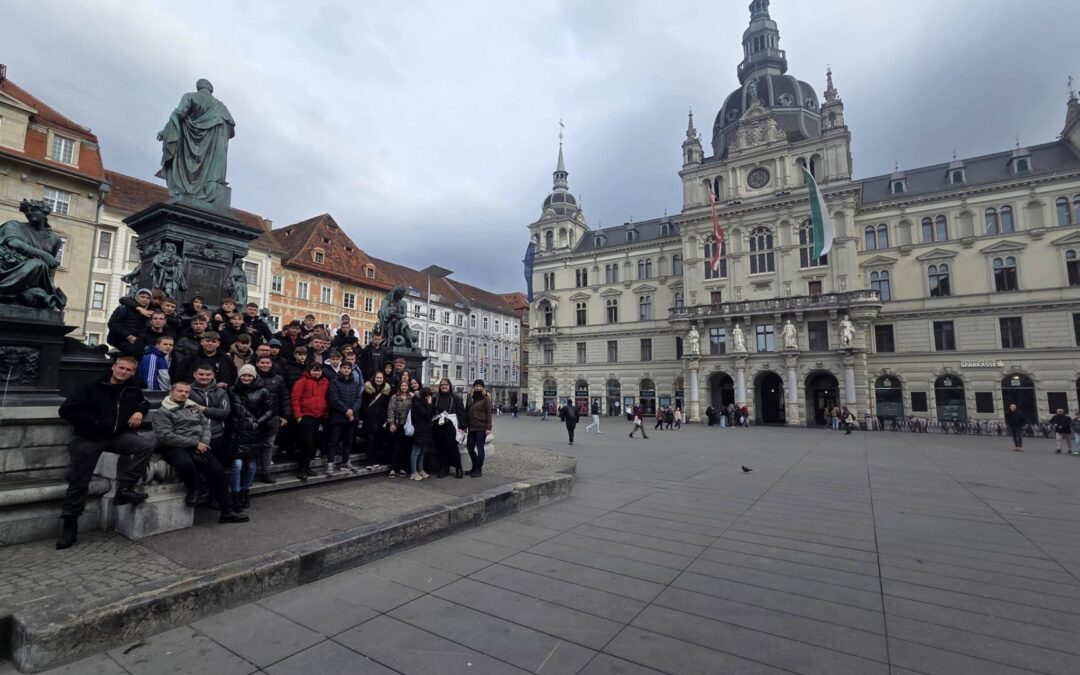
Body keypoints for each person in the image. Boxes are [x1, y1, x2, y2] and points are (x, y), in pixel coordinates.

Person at [55, 357, 154, 549]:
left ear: (133, 372)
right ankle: (70, 525)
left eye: (128, 370)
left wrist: (140, 411)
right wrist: (96, 422)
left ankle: (125, 488)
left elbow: (144, 402)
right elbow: (66, 410)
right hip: (89, 437)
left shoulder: (132, 388)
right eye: (121, 368)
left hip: (115, 436)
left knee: (145, 446)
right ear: (113, 367)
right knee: (78, 481)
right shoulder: (90, 386)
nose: (123, 372)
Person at [152, 381, 248, 523]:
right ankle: (195, 488)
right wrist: (195, 444)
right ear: (171, 392)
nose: (184, 394)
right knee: (185, 463)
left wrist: (203, 442)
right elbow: (166, 436)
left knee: (218, 473)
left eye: (186, 392)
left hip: (198, 446)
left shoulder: (193, 407)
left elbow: (205, 426)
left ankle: (227, 511)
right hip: (175, 447)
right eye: (180, 391)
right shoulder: (163, 412)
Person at [228, 365, 274, 508]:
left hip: (254, 432)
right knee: (237, 464)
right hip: (237, 432)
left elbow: (270, 410)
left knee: (251, 464)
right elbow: (233, 409)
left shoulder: (263, 391)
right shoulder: (232, 390)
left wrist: (257, 423)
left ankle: (244, 492)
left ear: (254, 377)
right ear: (239, 376)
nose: (246, 378)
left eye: (250, 376)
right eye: (244, 375)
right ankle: (235, 493)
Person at [188, 365, 232, 469]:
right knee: (197, 467)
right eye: (201, 374)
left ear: (213, 375)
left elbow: (224, 413)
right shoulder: (187, 390)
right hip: (194, 435)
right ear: (195, 375)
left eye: (208, 374)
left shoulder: (221, 391)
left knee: (217, 467)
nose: (204, 377)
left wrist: (203, 409)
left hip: (216, 434)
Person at [291, 361, 329, 480]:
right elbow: (295, 399)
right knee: (306, 443)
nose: (317, 372)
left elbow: (327, 398)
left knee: (314, 443)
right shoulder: (301, 382)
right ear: (309, 370)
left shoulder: (325, 382)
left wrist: (325, 414)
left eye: (319, 370)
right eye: (314, 370)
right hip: (306, 416)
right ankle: (301, 468)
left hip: (319, 416)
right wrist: (298, 416)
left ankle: (307, 467)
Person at [254, 355, 289, 482]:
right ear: (257, 363)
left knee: (268, 445)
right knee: (254, 445)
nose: (265, 365)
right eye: (262, 362)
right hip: (254, 417)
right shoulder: (251, 377)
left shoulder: (278, 379)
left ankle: (266, 473)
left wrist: (285, 415)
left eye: (267, 362)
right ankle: (251, 473)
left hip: (273, 416)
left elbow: (285, 397)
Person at [326, 361, 362, 475]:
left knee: (348, 441)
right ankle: (330, 464)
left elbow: (358, 399)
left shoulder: (355, 383)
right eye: (344, 368)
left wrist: (352, 410)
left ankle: (345, 462)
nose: (346, 370)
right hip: (338, 416)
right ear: (340, 369)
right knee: (333, 441)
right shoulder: (334, 382)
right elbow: (334, 399)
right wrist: (346, 410)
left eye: (348, 368)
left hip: (351, 417)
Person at [432, 378, 465, 478]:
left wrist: (462, 427)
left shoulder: (455, 398)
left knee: (452, 448)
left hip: (451, 427)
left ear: (450, 386)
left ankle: (458, 468)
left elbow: (461, 413)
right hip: (438, 427)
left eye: (446, 385)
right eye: (442, 385)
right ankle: (444, 468)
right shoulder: (436, 398)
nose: (444, 386)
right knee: (440, 448)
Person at [107, 288, 153, 356]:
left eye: (148, 298)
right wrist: (129, 336)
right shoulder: (124, 308)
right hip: (120, 339)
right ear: (137, 297)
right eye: (142, 297)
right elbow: (113, 324)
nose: (145, 299)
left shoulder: (149, 311)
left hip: (137, 341)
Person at [360, 371, 392, 469]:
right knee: (370, 440)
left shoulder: (386, 391)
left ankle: (375, 460)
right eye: (377, 378)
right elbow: (363, 404)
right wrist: (366, 414)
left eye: (380, 378)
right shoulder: (367, 390)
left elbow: (387, 405)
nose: (379, 379)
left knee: (377, 441)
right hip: (369, 419)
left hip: (380, 420)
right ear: (374, 378)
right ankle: (369, 461)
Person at [386, 375, 413, 478]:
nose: (404, 387)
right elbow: (390, 410)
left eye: (406, 385)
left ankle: (401, 467)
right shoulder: (394, 397)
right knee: (395, 447)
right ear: (399, 386)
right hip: (397, 425)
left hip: (407, 426)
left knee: (404, 447)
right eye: (402, 385)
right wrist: (391, 423)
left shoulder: (411, 397)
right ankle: (393, 468)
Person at [465, 379, 492, 476]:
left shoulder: (485, 398)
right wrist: (464, 425)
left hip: (481, 427)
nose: (478, 387)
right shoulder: (470, 397)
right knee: (469, 447)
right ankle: (474, 467)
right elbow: (466, 410)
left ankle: (478, 470)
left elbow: (489, 413)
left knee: (480, 448)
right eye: (476, 386)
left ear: (483, 387)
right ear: (474, 387)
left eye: (480, 386)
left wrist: (488, 427)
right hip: (471, 427)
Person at [409, 386, 435, 480]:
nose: (428, 398)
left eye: (429, 396)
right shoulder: (417, 403)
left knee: (422, 451)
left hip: (425, 430)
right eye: (427, 396)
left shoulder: (423, 403)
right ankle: (413, 472)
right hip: (419, 430)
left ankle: (420, 469)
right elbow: (427, 414)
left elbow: (431, 414)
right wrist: (429, 403)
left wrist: (430, 404)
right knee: (416, 451)